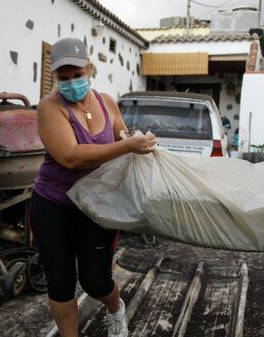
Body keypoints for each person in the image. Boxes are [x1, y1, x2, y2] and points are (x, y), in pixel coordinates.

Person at [30, 37, 156, 337]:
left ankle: (116, 309)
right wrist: (127, 146)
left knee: (95, 281)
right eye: (64, 78)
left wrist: (140, 143)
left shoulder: (107, 103)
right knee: (60, 283)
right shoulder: (49, 107)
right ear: (55, 77)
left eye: (77, 75)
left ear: (90, 68)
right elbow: (71, 157)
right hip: (53, 204)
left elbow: (124, 137)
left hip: (97, 206)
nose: (72, 82)